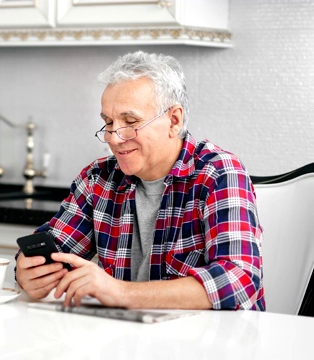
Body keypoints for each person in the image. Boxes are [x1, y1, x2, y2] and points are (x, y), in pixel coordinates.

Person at [15, 51, 265, 311]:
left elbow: (239, 281)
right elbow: (54, 249)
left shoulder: (219, 172)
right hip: (127, 341)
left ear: (173, 120)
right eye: (109, 123)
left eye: (130, 122)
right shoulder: (98, 179)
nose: (114, 138)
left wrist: (119, 291)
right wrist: (29, 271)